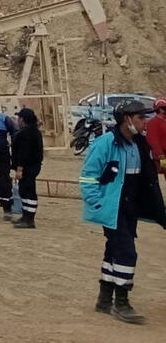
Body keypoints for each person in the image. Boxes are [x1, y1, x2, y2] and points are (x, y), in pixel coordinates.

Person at [79, 101, 166, 324]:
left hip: (130, 206)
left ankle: (105, 299)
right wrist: (96, 203)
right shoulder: (105, 144)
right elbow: (88, 176)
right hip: (112, 207)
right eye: (140, 118)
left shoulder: (139, 143)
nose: (145, 123)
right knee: (127, 252)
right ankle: (122, 302)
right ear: (127, 119)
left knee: (114, 249)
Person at [11, 107, 45, 229]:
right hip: (31, 166)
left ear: (22, 119)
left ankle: (29, 219)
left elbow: (23, 153)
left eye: (18, 118)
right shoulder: (33, 131)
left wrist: (20, 169)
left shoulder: (27, 133)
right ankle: (25, 216)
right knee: (23, 191)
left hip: (28, 167)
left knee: (28, 192)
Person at [147, 97, 166, 181]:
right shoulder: (153, 122)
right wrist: (161, 156)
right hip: (162, 157)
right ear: (160, 109)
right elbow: (153, 141)